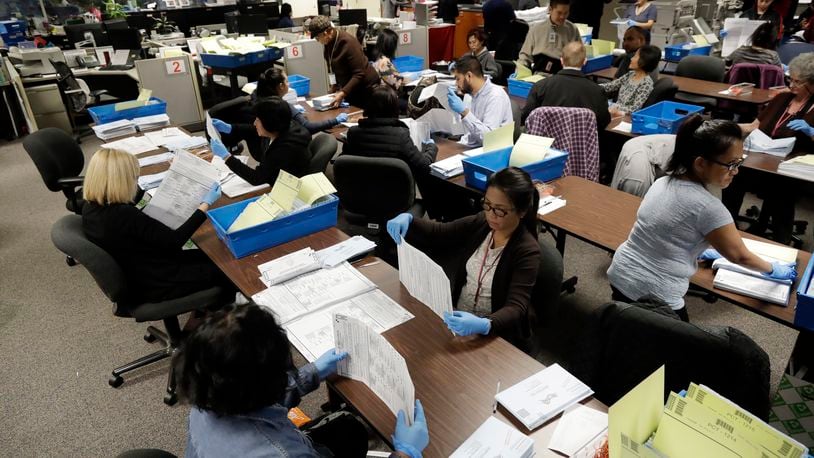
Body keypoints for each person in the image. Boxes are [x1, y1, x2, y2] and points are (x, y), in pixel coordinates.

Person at [175, 302, 430, 458]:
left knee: (348, 429)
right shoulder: (282, 454)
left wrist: (314, 372)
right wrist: (406, 453)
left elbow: (254, 393)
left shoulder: (208, 393)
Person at [607, 116, 797, 322]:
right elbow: (740, 256)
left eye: (739, 162)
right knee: (679, 347)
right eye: (731, 164)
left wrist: (695, 247)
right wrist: (773, 270)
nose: (736, 171)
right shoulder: (708, 207)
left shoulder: (662, 181)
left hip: (620, 273)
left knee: (628, 327)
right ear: (700, 163)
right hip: (656, 294)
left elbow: (664, 229)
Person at [387, 167, 541, 348]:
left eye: (500, 210)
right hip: (457, 319)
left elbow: (516, 308)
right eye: (487, 204)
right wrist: (410, 219)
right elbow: (441, 232)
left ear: (521, 212)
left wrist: (485, 325)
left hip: (494, 334)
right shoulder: (483, 223)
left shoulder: (527, 251)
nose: (491, 214)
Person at [81, 148, 231, 306]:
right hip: (156, 281)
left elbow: (137, 199)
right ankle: (221, 319)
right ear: (120, 181)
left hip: (139, 268)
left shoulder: (91, 206)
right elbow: (175, 241)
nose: (135, 182)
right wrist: (205, 205)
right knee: (226, 269)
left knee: (209, 256)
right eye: (133, 177)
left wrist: (176, 175)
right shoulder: (123, 214)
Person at [725, 53, 814, 243]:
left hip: (792, 167)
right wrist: (726, 126)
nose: (792, 85)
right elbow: (754, 126)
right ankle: (728, 229)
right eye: (791, 79)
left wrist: (811, 132)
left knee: (781, 192)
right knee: (732, 175)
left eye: (798, 82)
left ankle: (782, 243)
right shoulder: (782, 99)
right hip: (761, 158)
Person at [343, 85, 438, 189]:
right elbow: (424, 166)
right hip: (396, 199)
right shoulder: (400, 135)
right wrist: (431, 147)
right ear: (394, 108)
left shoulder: (352, 133)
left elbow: (344, 163)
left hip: (359, 194)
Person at [210, 97, 311, 186]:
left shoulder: (283, 149)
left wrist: (227, 157)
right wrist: (230, 128)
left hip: (282, 188)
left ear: (269, 124)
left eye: (258, 120)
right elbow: (254, 130)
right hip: (278, 178)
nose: (254, 123)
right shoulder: (284, 126)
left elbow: (257, 178)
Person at [520, 41, 610, 129]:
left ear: (561, 60)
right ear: (585, 61)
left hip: (546, 142)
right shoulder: (597, 91)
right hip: (580, 143)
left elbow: (526, 117)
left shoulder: (540, 86)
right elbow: (603, 123)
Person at [308, 16, 380, 109]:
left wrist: (343, 93)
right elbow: (331, 67)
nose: (318, 41)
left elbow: (359, 74)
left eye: (318, 37)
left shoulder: (348, 43)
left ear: (326, 33)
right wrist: (334, 87)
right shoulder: (328, 43)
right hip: (351, 90)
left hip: (366, 88)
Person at [446, 55, 513, 147]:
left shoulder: (496, 96)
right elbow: (466, 133)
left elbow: (488, 139)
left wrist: (464, 112)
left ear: (469, 76)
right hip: (469, 146)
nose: (456, 84)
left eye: (458, 79)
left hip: (488, 152)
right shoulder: (469, 95)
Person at [517, 0, 581, 70]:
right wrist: (520, 70)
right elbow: (524, 56)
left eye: (566, 13)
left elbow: (579, 56)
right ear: (550, 10)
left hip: (563, 74)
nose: (562, 17)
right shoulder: (536, 29)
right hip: (539, 73)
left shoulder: (572, 30)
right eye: (559, 13)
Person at [599, 44, 661, 117]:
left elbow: (634, 108)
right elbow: (611, 86)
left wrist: (614, 108)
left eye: (635, 56)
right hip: (614, 111)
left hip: (624, 117)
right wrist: (592, 86)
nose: (631, 58)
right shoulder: (630, 74)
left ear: (643, 61)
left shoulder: (646, 83)